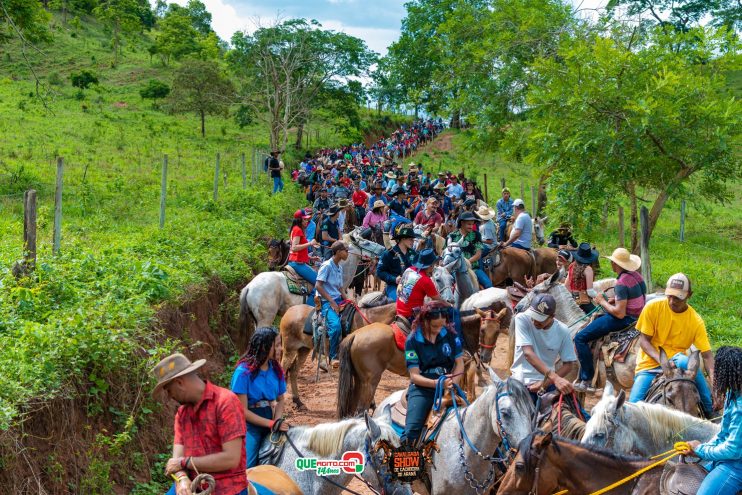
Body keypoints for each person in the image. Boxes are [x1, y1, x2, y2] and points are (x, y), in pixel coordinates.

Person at [154, 353, 247, 495]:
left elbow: (231, 459)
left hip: (227, 487)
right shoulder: (182, 413)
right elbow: (177, 459)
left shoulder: (226, 402)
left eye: (169, 390)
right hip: (191, 483)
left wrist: (184, 463)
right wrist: (182, 478)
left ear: (180, 383)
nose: (169, 396)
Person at [627, 273, 714, 417]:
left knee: (685, 362)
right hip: (649, 365)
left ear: (689, 295)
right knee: (632, 407)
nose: (672, 301)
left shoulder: (695, 321)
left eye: (678, 298)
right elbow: (644, 341)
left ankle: (710, 410)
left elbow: (707, 355)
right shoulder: (652, 308)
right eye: (670, 296)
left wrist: (716, 385)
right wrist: (662, 362)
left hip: (679, 363)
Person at [573, 247, 646, 393]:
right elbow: (636, 297)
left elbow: (619, 314)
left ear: (617, 265)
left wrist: (602, 302)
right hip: (639, 316)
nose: (611, 264)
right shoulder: (637, 276)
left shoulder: (621, 282)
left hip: (624, 320)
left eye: (613, 262)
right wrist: (617, 299)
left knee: (580, 338)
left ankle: (587, 378)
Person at [401, 300, 464, 446]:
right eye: (434, 326)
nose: (438, 329)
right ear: (424, 321)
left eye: (442, 325)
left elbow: (459, 364)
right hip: (423, 388)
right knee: (411, 432)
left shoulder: (451, 335)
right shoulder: (412, 341)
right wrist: (436, 384)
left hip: (449, 385)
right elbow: (414, 376)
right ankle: (405, 462)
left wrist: (453, 384)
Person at [681, 346, 742, 495]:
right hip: (727, 460)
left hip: (736, 466)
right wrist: (704, 447)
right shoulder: (732, 393)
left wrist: (700, 450)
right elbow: (723, 431)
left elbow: (732, 450)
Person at [230, 327, 289, 468]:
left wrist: (277, 420)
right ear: (265, 346)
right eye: (277, 345)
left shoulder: (276, 369)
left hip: (271, 417)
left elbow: (280, 399)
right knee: (248, 466)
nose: (281, 349)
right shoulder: (242, 373)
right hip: (250, 425)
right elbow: (242, 411)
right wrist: (270, 424)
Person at [510, 294, 576, 403]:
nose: (535, 322)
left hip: (547, 384)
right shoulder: (522, 319)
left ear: (552, 316)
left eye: (540, 319)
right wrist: (555, 378)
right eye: (533, 317)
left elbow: (568, 365)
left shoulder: (563, 330)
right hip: (520, 381)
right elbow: (528, 353)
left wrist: (545, 384)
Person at [315, 241, 349, 369]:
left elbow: (340, 288)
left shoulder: (339, 267)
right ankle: (333, 356)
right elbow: (318, 285)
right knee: (335, 327)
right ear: (339, 252)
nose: (347, 253)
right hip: (326, 301)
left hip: (338, 299)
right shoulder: (327, 266)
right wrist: (331, 302)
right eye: (346, 250)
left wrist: (348, 300)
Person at [447, 212, 493, 289]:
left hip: (473, 268)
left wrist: (466, 262)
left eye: (472, 224)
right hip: (456, 270)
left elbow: (478, 254)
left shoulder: (476, 235)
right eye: (469, 224)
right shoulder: (452, 236)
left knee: (489, 285)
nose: (471, 226)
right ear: (462, 223)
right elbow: (447, 253)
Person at [396, 249, 442, 324]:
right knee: (442, 329)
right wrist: (450, 305)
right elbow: (439, 301)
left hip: (399, 310)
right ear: (430, 266)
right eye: (433, 265)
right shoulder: (425, 280)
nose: (433, 268)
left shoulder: (409, 269)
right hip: (411, 316)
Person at [376, 226, 419, 301]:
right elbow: (380, 272)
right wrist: (394, 279)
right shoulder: (388, 254)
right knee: (400, 302)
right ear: (403, 239)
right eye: (411, 239)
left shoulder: (413, 253)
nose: (413, 242)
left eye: (413, 240)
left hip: (411, 286)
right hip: (393, 286)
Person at [288, 209, 319, 295]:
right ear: (299, 220)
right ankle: (311, 306)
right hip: (298, 264)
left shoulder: (295, 229)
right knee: (320, 285)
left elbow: (295, 250)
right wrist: (310, 243)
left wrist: (310, 257)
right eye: (304, 219)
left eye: (307, 219)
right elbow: (294, 248)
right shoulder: (298, 230)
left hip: (294, 261)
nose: (307, 221)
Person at [564, 243, 598, 314]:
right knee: (600, 316)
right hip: (584, 302)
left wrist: (574, 298)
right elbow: (590, 292)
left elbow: (566, 285)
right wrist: (600, 296)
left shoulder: (572, 265)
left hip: (573, 300)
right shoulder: (588, 269)